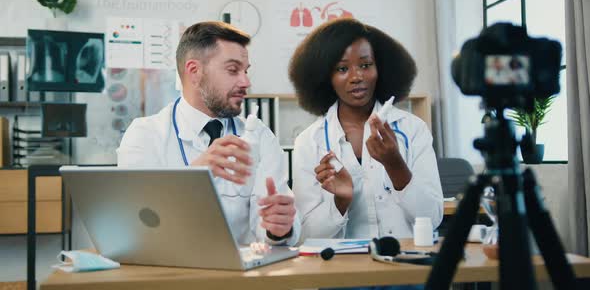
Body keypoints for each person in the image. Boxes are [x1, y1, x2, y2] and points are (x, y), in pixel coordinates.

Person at [117, 21, 300, 246]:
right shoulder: (144, 135)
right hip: (170, 274)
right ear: (194, 71)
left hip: (240, 278)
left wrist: (277, 230)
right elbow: (134, 223)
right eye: (233, 70)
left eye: (246, 71)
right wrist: (195, 176)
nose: (246, 82)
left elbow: (269, 226)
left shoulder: (259, 137)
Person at [289, 18, 443, 243]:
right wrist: (340, 201)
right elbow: (305, 235)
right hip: (345, 274)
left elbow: (433, 218)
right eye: (342, 69)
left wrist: (395, 165)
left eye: (365, 65)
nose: (356, 77)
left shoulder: (412, 129)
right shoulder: (308, 142)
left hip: (407, 267)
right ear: (325, 77)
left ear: (380, 67)